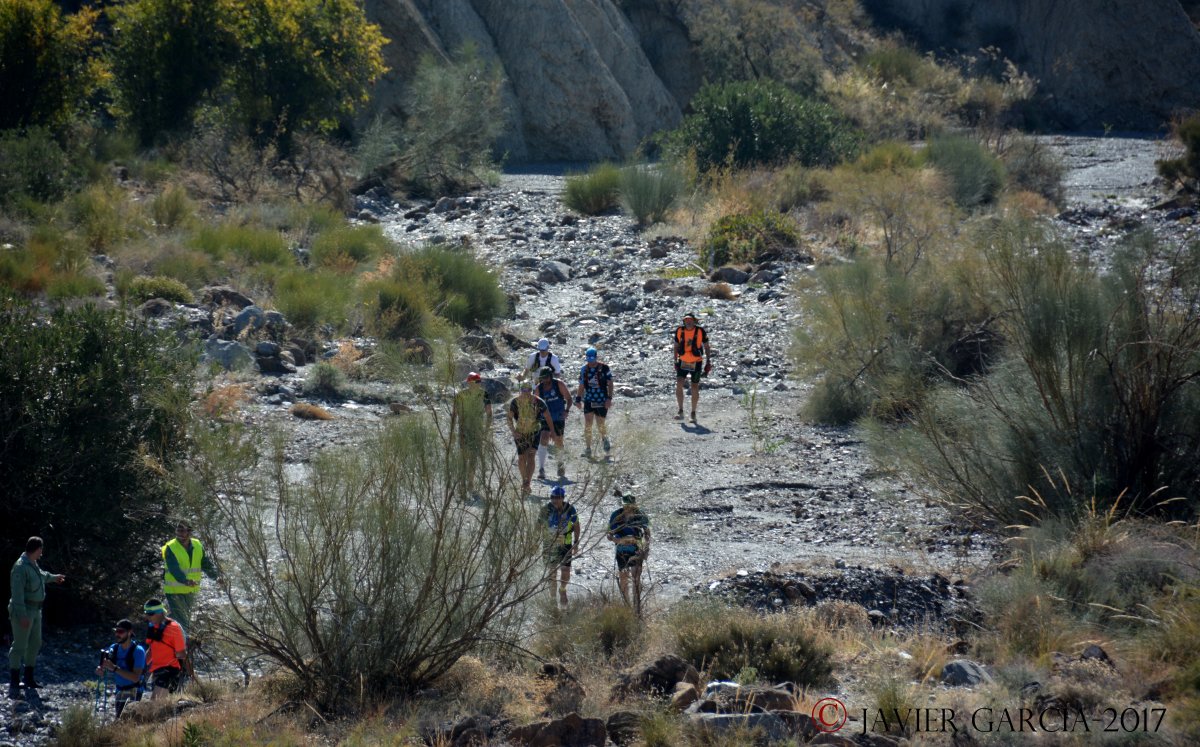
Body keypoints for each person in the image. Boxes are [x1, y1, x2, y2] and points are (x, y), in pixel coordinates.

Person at [8, 536, 65, 699]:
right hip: (24, 610)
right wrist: (22, 615)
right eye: (41, 549)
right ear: (37, 549)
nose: (42, 553)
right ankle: (14, 680)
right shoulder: (20, 567)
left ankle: (28, 678)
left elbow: (43, 576)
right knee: (20, 645)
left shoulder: (33, 564)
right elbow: (17, 594)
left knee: (35, 643)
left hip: (36, 610)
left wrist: (55, 577)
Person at [161, 522, 219, 639]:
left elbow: (205, 563)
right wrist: (185, 580)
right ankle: (183, 643)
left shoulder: (197, 545)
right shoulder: (170, 547)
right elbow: (174, 568)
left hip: (191, 590)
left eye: (183, 531)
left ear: (189, 532)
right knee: (182, 619)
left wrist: (216, 577)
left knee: (184, 617)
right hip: (174, 590)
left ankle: (170, 638)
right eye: (178, 530)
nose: (180, 534)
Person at [507, 383, 555, 495]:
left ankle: (527, 482)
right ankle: (524, 480)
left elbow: (548, 416)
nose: (526, 392)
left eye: (528, 389)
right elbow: (509, 418)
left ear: (531, 390)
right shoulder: (515, 402)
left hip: (535, 432)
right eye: (523, 390)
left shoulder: (538, 401)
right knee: (522, 457)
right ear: (520, 390)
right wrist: (513, 432)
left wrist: (552, 431)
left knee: (531, 455)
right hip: (520, 432)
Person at [453, 372, 496, 498]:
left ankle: (470, 483)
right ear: (469, 383)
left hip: (477, 430)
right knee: (464, 457)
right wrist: (452, 433)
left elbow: (489, 413)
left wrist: (487, 430)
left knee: (474, 457)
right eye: (475, 382)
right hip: (463, 429)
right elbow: (454, 414)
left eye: (478, 382)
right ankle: (462, 484)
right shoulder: (461, 395)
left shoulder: (484, 394)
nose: (477, 384)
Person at [607, 495, 651, 614]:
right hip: (621, 549)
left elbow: (647, 533)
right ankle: (626, 606)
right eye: (625, 505)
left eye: (630, 505)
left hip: (636, 549)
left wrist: (646, 548)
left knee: (636, 577)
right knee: (623, 577)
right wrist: (616, 540)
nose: (627, 508)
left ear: (634, 505)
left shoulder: (640, 515)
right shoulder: (616, 515)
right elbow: (609, 534)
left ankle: (637, 607)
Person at [541, 485, 580, 609]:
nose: (554, 500)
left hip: (565, 543)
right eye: (552, 497)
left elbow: (577, 524)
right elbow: (538, 525)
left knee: (566, 571)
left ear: (562, 498)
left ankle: (562, 589)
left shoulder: (570, 509)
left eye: (557, 497)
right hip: (550, 544)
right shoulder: (546, 509)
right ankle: (552, 599)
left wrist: (576, 542)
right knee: (552, 572)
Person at [95, 619, 145, 718]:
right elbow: (106, 667)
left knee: (126, 721)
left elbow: (136, 678)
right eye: (116, 631)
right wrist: (101, 670)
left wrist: (114, 668)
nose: (117, 634)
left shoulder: (138, 651)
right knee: (120, 720)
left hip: (134, 690)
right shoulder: (114, 648)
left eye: (121, 632)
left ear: (130, 632)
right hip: (120, 690)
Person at [142, 599, 186, 699]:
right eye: (147, 614)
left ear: (160, 612)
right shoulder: (152, 627)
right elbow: (151, 650)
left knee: (155, 702)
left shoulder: (174, 627)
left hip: (170, 670)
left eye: (150, 614)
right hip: (156, 671)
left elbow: (181, 653)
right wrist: (141, 667)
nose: (148, 617)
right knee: (161, 705)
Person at [535, 366, 573, 479]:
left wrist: (567, 410)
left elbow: (569, 398)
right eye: (542, 378)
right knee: (544, 438)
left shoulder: (559, 384)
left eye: (546, 377)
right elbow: (535, 405)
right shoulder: (538, 389)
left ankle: (560, 464)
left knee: (558, 441)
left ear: (550, 376)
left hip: (558, 417)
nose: (544, 380)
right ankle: (541, 469)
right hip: (545, 417)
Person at [575, 347, 614, 459]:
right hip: (589, 400)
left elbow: (610, 383)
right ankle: (588, 449)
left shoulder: (604, 368)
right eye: (588, 358)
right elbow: (581, 385)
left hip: (601, 400)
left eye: (592, 358)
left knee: (600, 423)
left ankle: (605, 441)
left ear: (596, 357)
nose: (590, 361)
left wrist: (609, 398)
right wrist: (578, 399)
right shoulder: (584, 369)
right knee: (588, 424)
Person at [673, 312, 712, 422]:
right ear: (684, 321)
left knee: (694, 386)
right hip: (682, 361)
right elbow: (676, 346)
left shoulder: (700, 331)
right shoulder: (679, 330)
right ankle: (680, 411)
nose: (688, 322)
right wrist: (675, 360)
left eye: (690, 320)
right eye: (686, 320)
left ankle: (693, 413)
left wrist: (708, 361)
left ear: (694, 321)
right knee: (679, 383)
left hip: (696, 362)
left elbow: (707, 346)